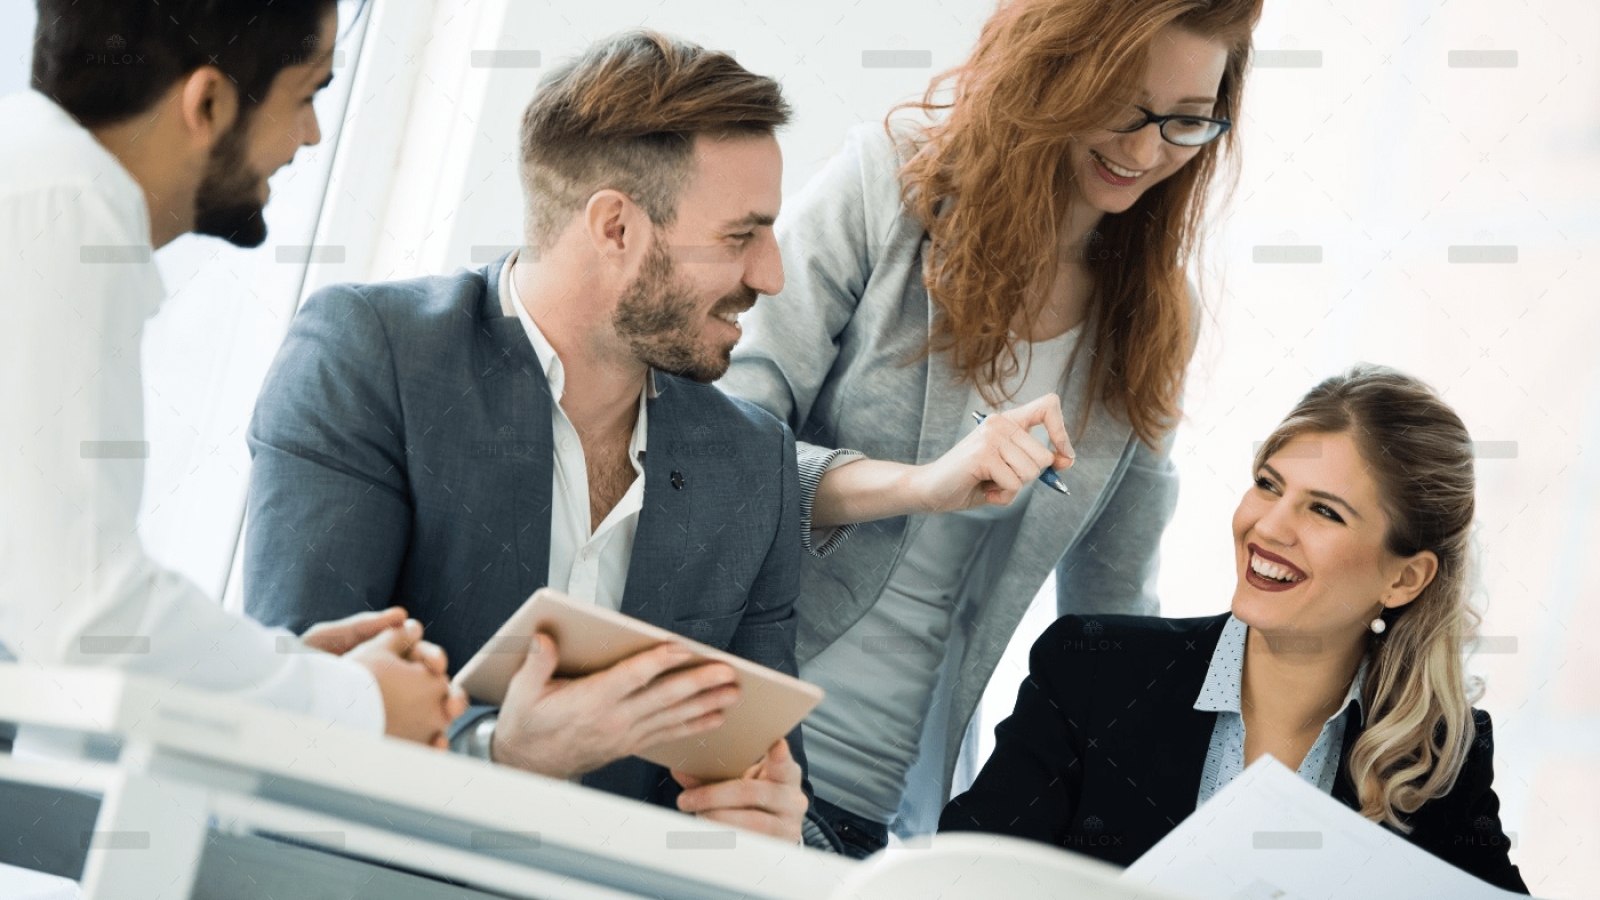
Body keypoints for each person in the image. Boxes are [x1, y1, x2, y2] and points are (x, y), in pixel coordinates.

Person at [242, 31, 824, 846]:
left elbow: (760, 773)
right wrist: (498, 756)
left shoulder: (754, 463)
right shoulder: (372, 358)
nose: (771, 275)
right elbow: (291, 721)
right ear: (616, 227)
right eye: (741, 236)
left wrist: (766, 823)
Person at [718, 0, 1264, 854]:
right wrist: (919, 486)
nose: (1147, 150)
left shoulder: (1151, 316)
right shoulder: (887, 187)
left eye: (1187, 122)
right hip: (729, 748)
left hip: (885, 810)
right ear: (1048, 66)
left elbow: (1116, 614)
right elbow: (714, 457)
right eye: (1123, 107)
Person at [0, 0, 462, 748]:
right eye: (307, 93)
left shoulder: (36, 187)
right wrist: (354, 704)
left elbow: (37, 620)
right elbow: (84, 621)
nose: (311, 135)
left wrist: (266, 674)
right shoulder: (67, 209)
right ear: (207, 102)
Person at [941, 365, 1528, 893]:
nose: (1267, 527)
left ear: (1405, 579)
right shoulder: (1091, 672)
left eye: (1324, 510)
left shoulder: (1438, 753)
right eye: (1269, 485)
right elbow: (957, 878)